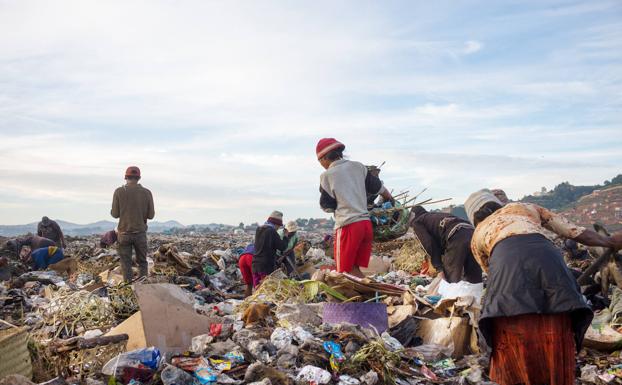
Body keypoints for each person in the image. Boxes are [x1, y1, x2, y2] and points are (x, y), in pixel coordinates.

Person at [464, 189, 622, 385]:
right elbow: (574, 231)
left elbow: (491, 271)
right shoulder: (523, 207)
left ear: (473, 217)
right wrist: (609, 241)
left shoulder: (478, 233)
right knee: (555, 322)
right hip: (551, 265)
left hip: (509, 280)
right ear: (496, 203)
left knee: (513, 333)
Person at [317, 138, 393, 277]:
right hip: (365, 226)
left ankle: (357, 298)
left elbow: (327, 206)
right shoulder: (358, 167)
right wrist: (390, 199)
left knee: (344, 273)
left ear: (323, 158)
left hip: (348, 227)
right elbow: (379, 188)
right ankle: (368, 295)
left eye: (319, 161)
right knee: (354, 270)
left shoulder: (327, 176)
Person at [409, 206, 482, 283]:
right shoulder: (434, 216)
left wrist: (438, 267)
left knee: (450, 277)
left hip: (456, 236)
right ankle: (476, 292)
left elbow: (429, 243)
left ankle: (452, 293)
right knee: (474, 274)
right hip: (472, 233)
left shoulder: (417, 222)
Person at [111, 166, 155, 282]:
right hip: (140, 233)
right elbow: (151, 215)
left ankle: (129, 288)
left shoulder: (119, 191)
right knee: (142, 262)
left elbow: (115, 214)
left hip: (124, 233)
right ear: (139, 178)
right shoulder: (146, 193)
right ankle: (143, 286)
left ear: (126, 177)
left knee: (126, 263)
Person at [251, 211, 291, 287]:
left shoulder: (259, 229)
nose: (278, 228)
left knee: (257, 290)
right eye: (279, 226)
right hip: (265, 267)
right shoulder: (271, 231)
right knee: (264, 290)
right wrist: (286, 236)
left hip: (255, 265)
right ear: (276, 223)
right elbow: (282, 247)